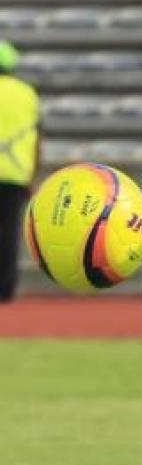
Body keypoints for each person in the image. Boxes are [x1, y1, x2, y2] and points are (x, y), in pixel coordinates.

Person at [0, 41, 39, 303]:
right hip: (15, 173)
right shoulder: (26, 93)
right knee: (8, 235)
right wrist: (33, 173)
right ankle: (6, 289)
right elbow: (37, 136)